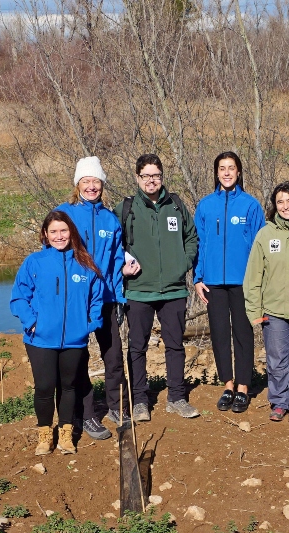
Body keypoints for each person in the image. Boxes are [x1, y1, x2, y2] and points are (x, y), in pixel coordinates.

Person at [10, 210, 104, 456]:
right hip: (40, 339)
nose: (59, 236)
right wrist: (32, 322)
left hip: (75, 340)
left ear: (71, 232)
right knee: (44, 386)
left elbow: (97, 297)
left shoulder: (85, 263)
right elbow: (19, 297)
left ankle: (65, 434)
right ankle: (44, 435)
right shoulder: (34, 262)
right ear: (45, 234)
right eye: (53, 231)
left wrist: (90, 324)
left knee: (69, 387)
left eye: (63, 231)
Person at [115, 154, 199, 421]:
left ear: (162, 177)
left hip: (173, 290)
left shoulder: (175, 204)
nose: (151, 180)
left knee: (175, 346)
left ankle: (176, 397)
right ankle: (139, 400)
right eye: (146, 176)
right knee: (137, 347)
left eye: (156, 175)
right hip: (138, 290)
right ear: (137, 178)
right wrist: (122, 267)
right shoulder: (126, 208)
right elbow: (113, 245)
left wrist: (182, 264)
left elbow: (192, 237)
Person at [55, 156, 132, 440]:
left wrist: (119, 298)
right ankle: (86, 415)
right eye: (86, 181)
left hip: (107, 299)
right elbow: (52, 254)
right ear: (77, 185)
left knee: (113, 356)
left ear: (102, 185)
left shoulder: (110, 220)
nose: (91, 186)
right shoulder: (64, 214)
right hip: (76, 300)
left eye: (96, 181)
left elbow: (114, 261)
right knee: (79, 357)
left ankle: (116, 407)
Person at [194, 151, 266, 413]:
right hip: (213, 282)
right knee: (220, 334)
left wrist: (258, 281)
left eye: (231, 168)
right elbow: (199, 245)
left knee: (243, 333)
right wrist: (198, 278)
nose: (226, 172)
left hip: (243, 282)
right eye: (222, 168)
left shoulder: (250, 205)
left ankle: (244, 387)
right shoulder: (205, 206)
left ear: (239, 172)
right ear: (216, 173)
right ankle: (227, 384)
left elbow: (260, 247)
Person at [244, 181, 289, 423]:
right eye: (280, 202)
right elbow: (254, 275)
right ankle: (279, 400)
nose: (285, 206)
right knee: (277, 358)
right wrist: (254, 309)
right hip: (273, 309)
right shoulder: (266, 234)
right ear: (275, 206)